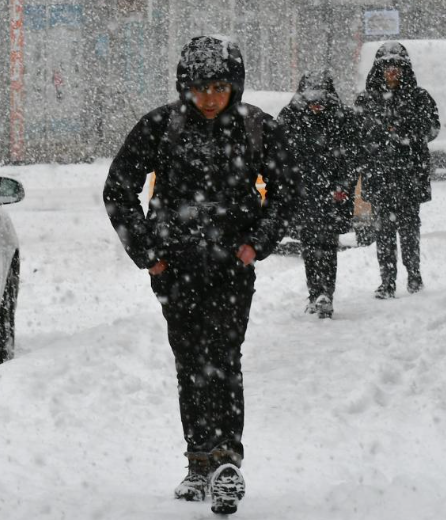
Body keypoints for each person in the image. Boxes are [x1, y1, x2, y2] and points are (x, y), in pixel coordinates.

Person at [102, 35, 294, 515]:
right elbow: (118, 189)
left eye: (219, 86)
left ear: (235, 86)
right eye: (200, 86)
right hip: (176, 268)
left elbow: (287, 189)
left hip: (232, 268)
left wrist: (258, 244)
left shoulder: (256, 129)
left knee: (224, 358)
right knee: (190, 363)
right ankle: (198, 460)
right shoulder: (160, 127)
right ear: (184, 86)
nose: (210, 96)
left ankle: (227, 460)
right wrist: (149, 253)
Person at [354, 41, 440, 299]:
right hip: (379, 176)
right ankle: (387, 281)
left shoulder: (419, 97)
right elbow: (356, 135)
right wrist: (376, 139)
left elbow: (433, 129)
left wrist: (407, 134)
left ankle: (414, 276)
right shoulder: (366, 100)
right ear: (379, 70)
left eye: (397, 67)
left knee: (410, 229)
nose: (392, 72)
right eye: (387, 67)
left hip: (409, 176)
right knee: (383, 231)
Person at [277, 71, 357, 319]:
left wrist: (343, 185)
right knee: (310, 246)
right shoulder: (290, 116)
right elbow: (279, 154)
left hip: (331, 194)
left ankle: (325, 295)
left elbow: (352, 156)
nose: (316, 104)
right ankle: (315, 294)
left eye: (320, 97)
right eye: (311, 98)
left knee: (327, 245)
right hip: (304, 192)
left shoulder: (341, 117)